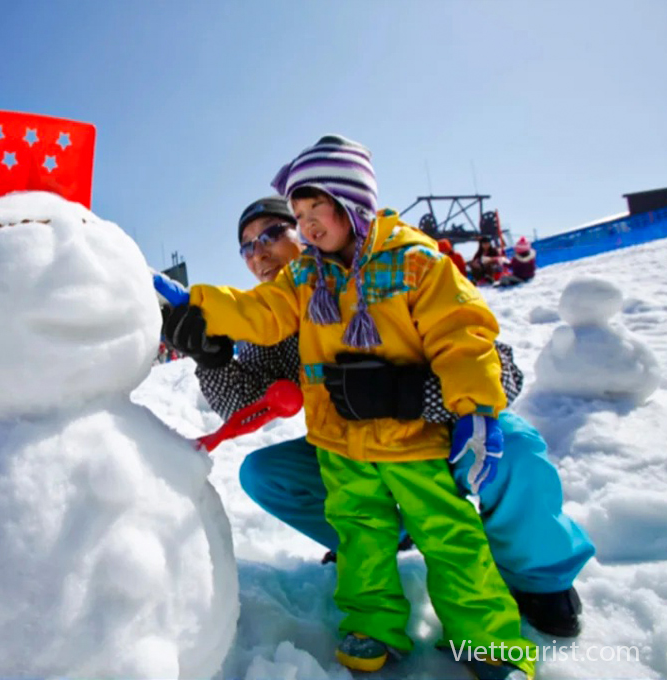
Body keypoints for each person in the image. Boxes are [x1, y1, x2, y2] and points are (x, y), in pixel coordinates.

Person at [168, 135, 537, 678]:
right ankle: (372, 625)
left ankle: (499, 630)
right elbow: (252, 337)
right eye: (248, 245)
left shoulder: (410, 261)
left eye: (284, 227)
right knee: (358, 536)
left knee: (455, 535)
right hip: (342, 447)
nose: (263, 249)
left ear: (352, 204)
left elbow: (472, 343)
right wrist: (201, 321)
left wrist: (448, 404)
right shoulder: (300, 285)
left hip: (417, 438)